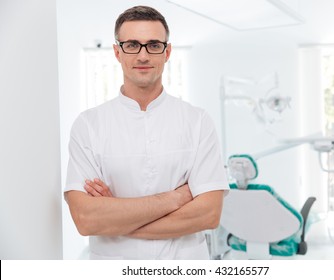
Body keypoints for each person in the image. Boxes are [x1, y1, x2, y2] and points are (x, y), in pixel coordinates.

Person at [64, 5, 229, 260]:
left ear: (167, 52)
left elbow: (208, 215)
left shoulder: (198, 122)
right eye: (132, 45)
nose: (143, 56)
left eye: (153, 45)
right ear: (117, 52)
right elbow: (87, 219)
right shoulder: (88, 125)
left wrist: (117, 219)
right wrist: (176, 198)